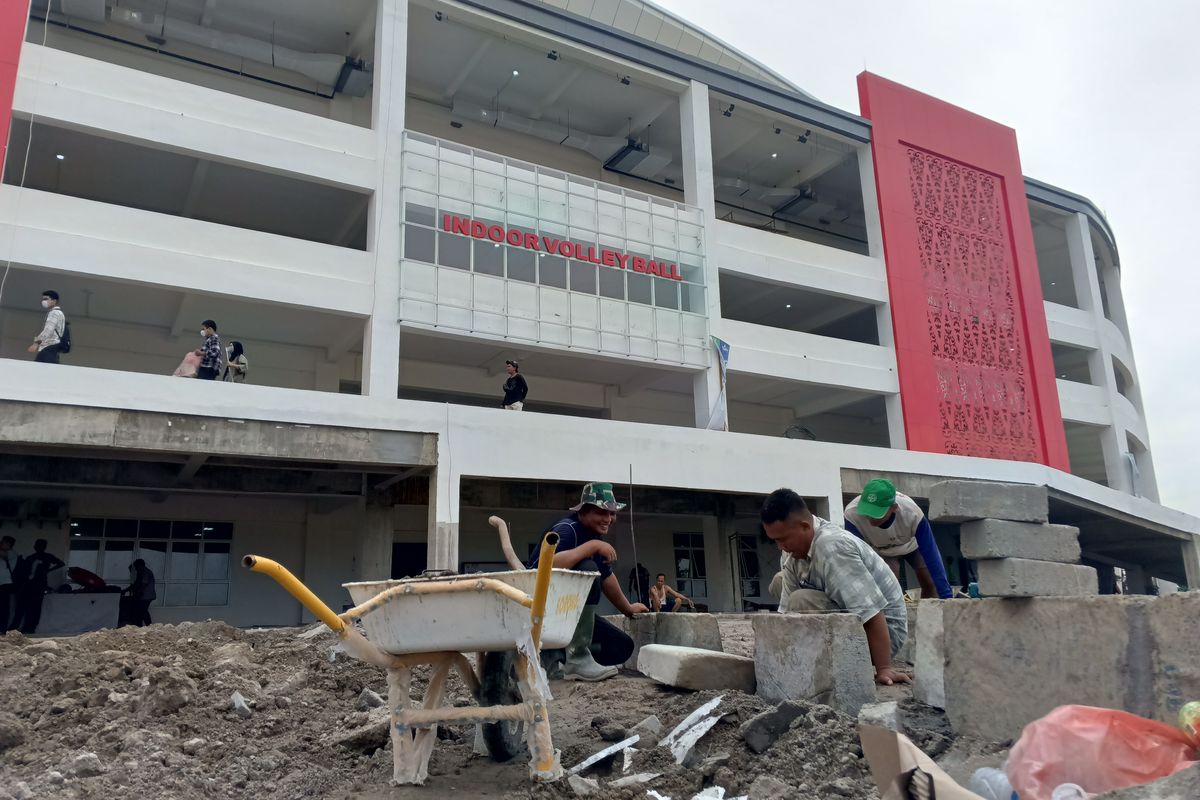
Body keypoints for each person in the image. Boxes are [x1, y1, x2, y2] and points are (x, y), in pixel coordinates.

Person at [761, 488, 911, 686]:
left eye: (783, 539)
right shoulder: (791, 553)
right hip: (851, 619)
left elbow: (871, 611)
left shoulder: (832, 546)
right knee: (781, 582)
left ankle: (858, 660)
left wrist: (884, 668)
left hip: (885, 635)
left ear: (805, 526)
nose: (780, 547)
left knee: (801, 600)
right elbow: (786, 613)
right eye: (775, 541)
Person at [526, 482, 649, 681]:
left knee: (621, 646)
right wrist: (591, 547)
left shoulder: (595, 537)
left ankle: (558, 656)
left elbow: (607, 578)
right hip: (544, 611)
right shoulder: (568, 529)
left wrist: (628, 608)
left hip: (569, 614)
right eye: (602, 513)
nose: (608, 519)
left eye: (611, 514)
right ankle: (577, 657)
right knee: (588, 570)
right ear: (584, 511)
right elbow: (545, 566)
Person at [843, 479, 953, 600]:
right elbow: (857, 556)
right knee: (889, 588)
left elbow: (931, 554)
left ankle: (927, 615)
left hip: (911, 545)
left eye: (876, 513)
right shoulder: (851, 515)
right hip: (881, 550)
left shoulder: (913, 513)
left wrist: (947, 597)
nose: (870, 517)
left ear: (893, 508)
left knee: (929, 582)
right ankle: (894, 616)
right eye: (867, 511)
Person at [10, 539, 64, 634]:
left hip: (38, 585)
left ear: (44, 547)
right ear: (35, 546)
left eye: (41, 545)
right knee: (26, 607)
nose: (39, 547)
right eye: (38, 545)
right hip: (30, 585)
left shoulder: (46, 557)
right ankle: (23, 628)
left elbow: (61, 563)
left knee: (34, 608)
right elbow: (24, 571)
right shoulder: (31, 557)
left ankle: (29, 628)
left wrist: (48, 570)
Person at [28, 290, 66, 364]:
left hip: (49, 347)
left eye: (46, 299)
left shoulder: (54, 313)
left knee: (38, 370)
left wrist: (36, 343)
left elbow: (48, 330)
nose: (43, 301)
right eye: (43, 299)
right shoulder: (59, 313)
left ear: (54, 301)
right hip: (53, 348)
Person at [122, 559, 156, 626]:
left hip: (146, 596)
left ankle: (149, 626)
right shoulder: (140, 573)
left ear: (140, 565)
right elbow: (135, 584)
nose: (136, 569)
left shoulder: (146, 572)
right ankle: (139, 625)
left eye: (136, 567)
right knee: (140, 611)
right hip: (144, 596)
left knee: (143, 611)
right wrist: (126, 590)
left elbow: (143, 585)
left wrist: (138, 593)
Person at [0, 536, 18, 634]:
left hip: (5, 584)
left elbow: (3, 554)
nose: (1, 543)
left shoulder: (11, 554)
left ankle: (2, 629)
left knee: (3, 608)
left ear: (9, 544)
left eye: (3, 542)